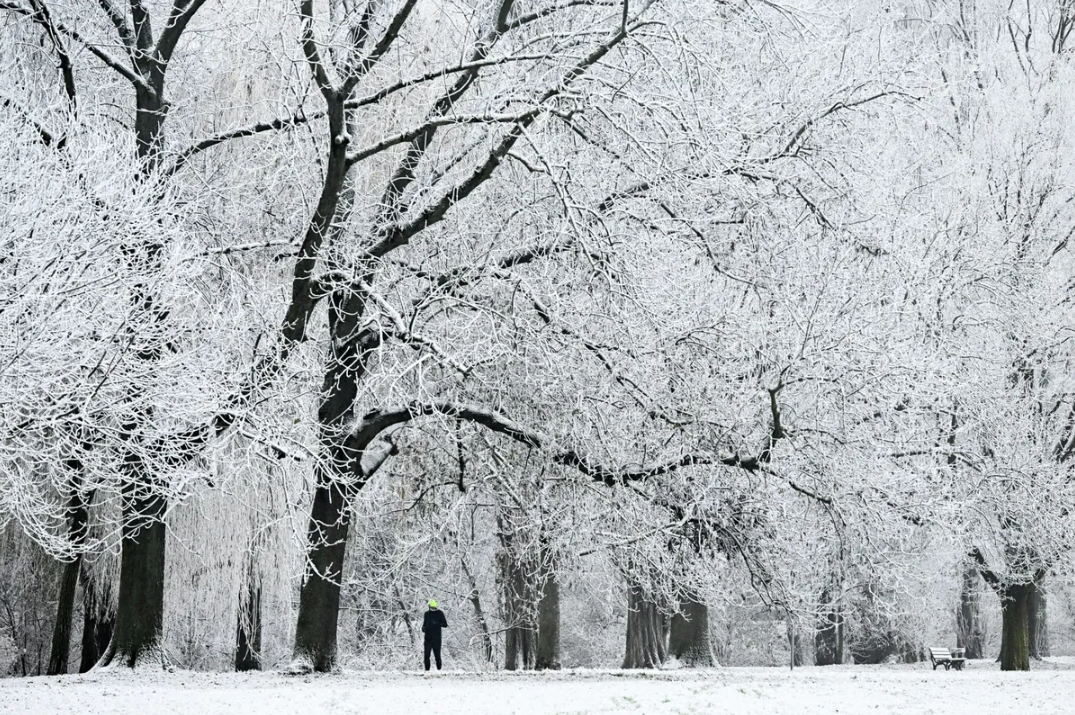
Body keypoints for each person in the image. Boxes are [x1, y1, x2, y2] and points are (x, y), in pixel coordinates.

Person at [421, 599, 448, 671]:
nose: (431, 608)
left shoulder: (440, 613)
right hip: (427, 638)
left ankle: (439, 670)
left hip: (437, 638)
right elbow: (424, 624)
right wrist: (423, 628)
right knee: (426, 655)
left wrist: (436, 623)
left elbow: (445, 624)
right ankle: (427, 670)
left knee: (437, 655)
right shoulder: (426, 614)